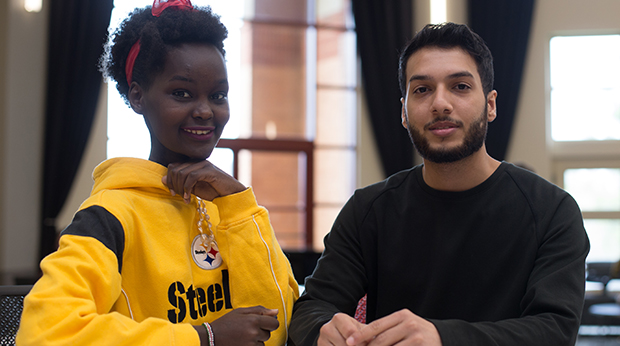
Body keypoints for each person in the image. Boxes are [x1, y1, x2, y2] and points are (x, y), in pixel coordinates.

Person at [288, 22, 589, 346]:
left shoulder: (551, 210)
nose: (440, 104)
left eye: (460, 86)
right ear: (403, 112)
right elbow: (312, 308)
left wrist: (443, 338)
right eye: (422, 90)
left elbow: (555, 330)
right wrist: (323, 330)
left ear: (490, 105)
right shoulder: (368, 210)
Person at [17, 1, 298, 345]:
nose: (205, 111)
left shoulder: (228, 207)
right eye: (181, 93)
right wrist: (204, 337)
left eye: (218, 95)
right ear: (137, 97)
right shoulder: (109, 216)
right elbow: (44, 333)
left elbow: (279, 324)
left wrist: (237, 203)